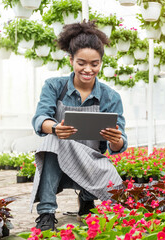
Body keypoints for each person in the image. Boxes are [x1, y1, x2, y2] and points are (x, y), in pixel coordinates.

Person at [30, 21, 127, 231]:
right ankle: (46, 213)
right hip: (58, 156)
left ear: (101, 62)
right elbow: (40, 118)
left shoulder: (111, 96)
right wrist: (55, 128)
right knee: (52, 142)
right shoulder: (54, 86)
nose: (88, 69)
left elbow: (119, 145)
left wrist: (115, 139)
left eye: (95, 64)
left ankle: (86, 198)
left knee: (119, 192)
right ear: (71, 59)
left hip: (90, 158)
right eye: (81, 62)